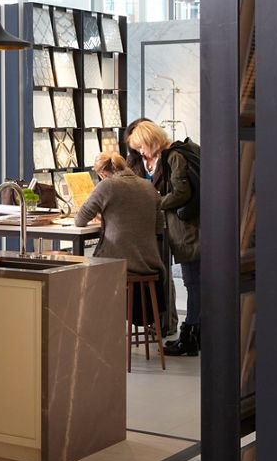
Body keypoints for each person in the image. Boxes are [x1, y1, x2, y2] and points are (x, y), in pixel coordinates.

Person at [125, 118, 202, 356]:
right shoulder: (180, 152)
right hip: (191, 228)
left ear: (150, 141)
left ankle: (189, 337)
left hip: (189, 231)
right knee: (196, 283)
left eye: (141, 147)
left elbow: (181, 192)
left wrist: (155, 202)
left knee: (194, 283)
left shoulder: (174, 156)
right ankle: (193, 334)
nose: (140, 152)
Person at [74, 152, 166, 281]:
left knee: (85, 274)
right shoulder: (148, 186)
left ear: (103, 174)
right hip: (150, 263)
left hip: (118, 262)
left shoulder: (107, 185)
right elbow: (158, 227)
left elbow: (80, 220)